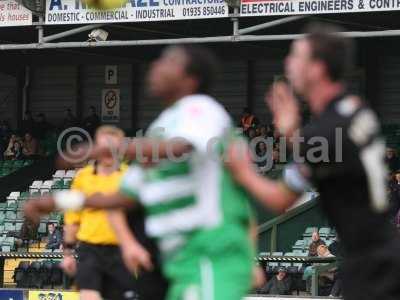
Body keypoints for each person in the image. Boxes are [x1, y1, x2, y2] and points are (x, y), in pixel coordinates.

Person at [24, 45, 258, 300]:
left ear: (191, 79)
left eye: (169, 61)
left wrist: (103, 148)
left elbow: (178, 147)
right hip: (181, 262)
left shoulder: (199, 109)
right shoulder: (161, 127)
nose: (156, 67)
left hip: (210, 253)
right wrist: (58, 200)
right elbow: (121, 197)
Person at [226, 23, 400, 300]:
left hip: (370, 269)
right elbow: (332, 157)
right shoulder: (354, 109)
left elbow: (279, 199)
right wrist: (297, 135)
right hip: (382, 255)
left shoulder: (323, 133)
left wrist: (240, 169)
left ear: (317, 68)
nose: (287, 63)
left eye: (295, 56)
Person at [57, 125, 142, 300]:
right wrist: (67, 254)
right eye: (104, 147)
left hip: (121, 251)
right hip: (90, 250)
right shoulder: (83, 177)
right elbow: (73, 219)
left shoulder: (130, 177)